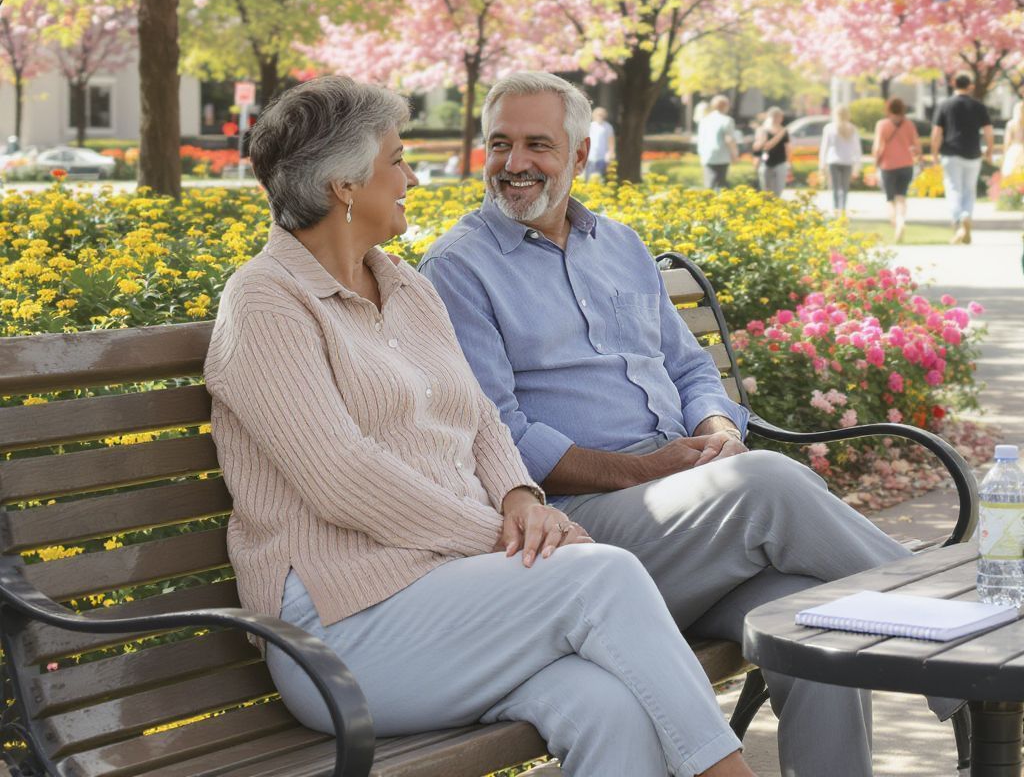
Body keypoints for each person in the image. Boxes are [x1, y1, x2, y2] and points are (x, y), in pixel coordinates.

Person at [204, 75, 759, 777]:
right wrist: (499, 534)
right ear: (345, 185)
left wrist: (521, 498)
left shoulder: (403, 285)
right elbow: (344, 478)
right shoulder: (266, 303)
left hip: (453, 599)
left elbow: (482, 422)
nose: (413, 176)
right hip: (343, 632)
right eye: (397, 161)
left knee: (610, 708)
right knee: (599, 576)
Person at [420, 71, 960, 777]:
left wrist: (716, 428)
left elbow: (690, 367)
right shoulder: (459, 269)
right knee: (764, 480)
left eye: (537, 145)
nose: (514, 163)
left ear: (581, 155)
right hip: (580, 534)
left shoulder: (618, 245)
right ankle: (954, 650)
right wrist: (653, 470)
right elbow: (501, 436)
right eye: (500, 144)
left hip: (684, 524)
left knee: (819, 631)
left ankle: (948, 651)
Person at [931, 73, 994, 244]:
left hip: (951, 153)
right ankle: (967, 215)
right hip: (973, 153)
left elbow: (937, 133)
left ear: (953, 84)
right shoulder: (978, 106)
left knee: (953, 188)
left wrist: (934, 153)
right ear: (970, 86)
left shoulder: (945, 105)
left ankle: (958, 221)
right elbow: (988, 131)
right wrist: (989, 150)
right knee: (969, 189)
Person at [872, 97, 922, 243]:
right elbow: (917, 145)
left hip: (888, 165)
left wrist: (875, 163)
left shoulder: (882, 124)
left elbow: (877, 147)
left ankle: (895, 224)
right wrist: (919, 158)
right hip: (906, 164)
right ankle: (901, 221)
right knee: (901, 196)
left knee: (890, 198)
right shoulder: (909, 124)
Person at [818, 104, 861, 216]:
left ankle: (836, 209)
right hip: (847, 161)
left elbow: (824, 147)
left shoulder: (829, 128)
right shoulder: (853, 129)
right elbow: (857, 149)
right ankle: (842, 210)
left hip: (833, 161)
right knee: (844, 188)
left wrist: (822, 164)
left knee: (836, 188)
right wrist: (857, 166)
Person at [697, 95, 739, 190]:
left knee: (709, 184)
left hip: (706, 154)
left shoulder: (704, 120)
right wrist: (735, 155)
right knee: (720, 184)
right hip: (721, 155)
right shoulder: (727, 120)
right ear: (726, 106)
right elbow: (729, 139)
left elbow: (700, 138)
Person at [751, 106, 789, 196]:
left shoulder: (784, 131)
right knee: (766, 191)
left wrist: (789, 163)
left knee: (778, 191)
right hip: (765, 163)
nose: (777, 119)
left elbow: (787, 147)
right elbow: (761, 147)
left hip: (780, 162)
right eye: (775, 116)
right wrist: (780, 134)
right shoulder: (763, 130)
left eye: (779, 116)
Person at [584, 106, 615, 180]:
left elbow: (611, 141)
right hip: (590, 157)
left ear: (604, 115)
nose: (600, 116)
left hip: (603, 157)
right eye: (598, 114)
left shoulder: (608, 127)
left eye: (601, 114)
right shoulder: (590, 126)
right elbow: (585, 141)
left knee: (600, 178)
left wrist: (611, 152)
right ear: (594, 115)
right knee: (589, 178)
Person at [1001, 99, 1024, 178]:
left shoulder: (1011, 124)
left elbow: (1007, 143)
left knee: (1011, 177)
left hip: (1014, 151)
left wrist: (1004, 158)